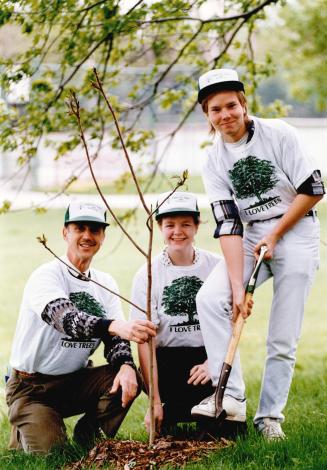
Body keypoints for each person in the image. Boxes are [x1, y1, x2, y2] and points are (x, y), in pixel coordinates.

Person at [190, 68, 325, 440]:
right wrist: (237, 286)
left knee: (281, 336)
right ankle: (231, 396)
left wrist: (277, 234)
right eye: (215, 110)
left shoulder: (278, 133)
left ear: (244, 103)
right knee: (211, 298)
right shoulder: (213, 160)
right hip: (250, 234)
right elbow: (229, 223)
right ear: (207, 114)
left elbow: (313, 188)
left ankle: (270, 419)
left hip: (296, 227)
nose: (225, 115)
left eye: (231, 105)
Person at [6, 201, 157, 454]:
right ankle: (26, 424)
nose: (87, 235)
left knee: (125, 376)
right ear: (65, 233)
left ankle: (89, 436)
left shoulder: (104, 283)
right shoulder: (47, 275)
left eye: (95, 229)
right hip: (32, 387)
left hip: (74, 380)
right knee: (56, 454)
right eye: (80, 228)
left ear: (103, 237)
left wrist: (127, 366)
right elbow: (66, 320)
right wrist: (114, 325)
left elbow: (116, 342)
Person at [130, 191, 242, 434]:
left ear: (197, 226)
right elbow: (144, 340)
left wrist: (212, 362)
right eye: (169, 225)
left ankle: (215, 408)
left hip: (208, 357)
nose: (177, 231)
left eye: (185, 224)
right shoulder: (148, 273)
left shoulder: (216, 266)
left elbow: (234, 320)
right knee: (173, 423)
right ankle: (170, 410)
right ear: (159, 227)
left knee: (228, 433)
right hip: (167, 363)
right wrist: (154, 402)